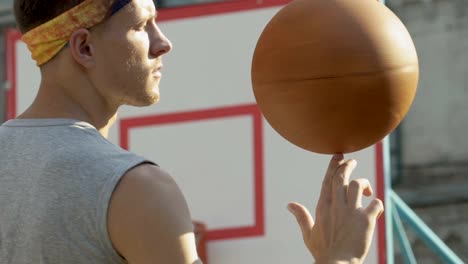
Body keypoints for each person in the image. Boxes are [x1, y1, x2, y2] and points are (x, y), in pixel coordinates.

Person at [0, 0, 384, 263]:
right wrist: (340, 258)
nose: (162, 42)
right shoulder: (133, 188)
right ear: (84, 47)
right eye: (141, 25)